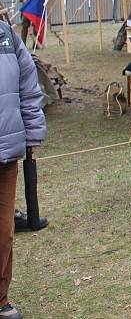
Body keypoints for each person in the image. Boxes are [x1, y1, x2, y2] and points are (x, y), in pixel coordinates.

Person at [0, 18, 46, 319]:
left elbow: (28, 88)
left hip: (5, 153)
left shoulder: (6, 36)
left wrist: (31, 133)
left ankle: (1, 298)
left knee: (4, 233)